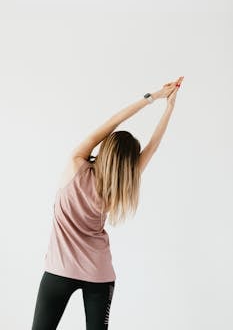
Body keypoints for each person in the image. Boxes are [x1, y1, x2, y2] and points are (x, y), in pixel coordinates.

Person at [31, 76, 184, 330]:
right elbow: (153, 147)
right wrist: (170, 108)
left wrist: (154, 97)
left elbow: (113, 122)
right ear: (127, 165)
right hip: (99, 275)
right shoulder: (120, 185)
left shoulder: (76, 165)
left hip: (58, 271)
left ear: (105, 147)